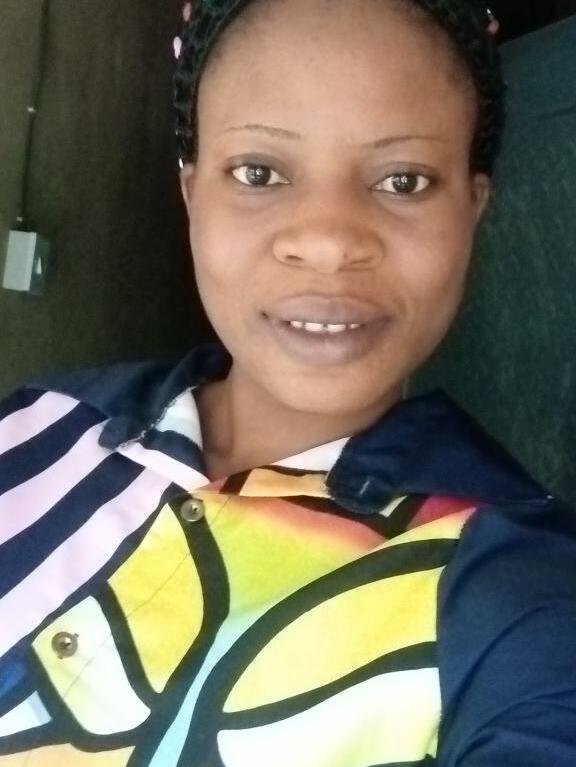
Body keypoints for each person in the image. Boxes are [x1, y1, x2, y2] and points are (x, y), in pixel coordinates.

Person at [1, 0, 576, 765]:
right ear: (192, 192)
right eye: (259, 173)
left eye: (403, 180)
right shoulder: (36, 424)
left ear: (472, 209)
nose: (328, 241)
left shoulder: (510, 583)